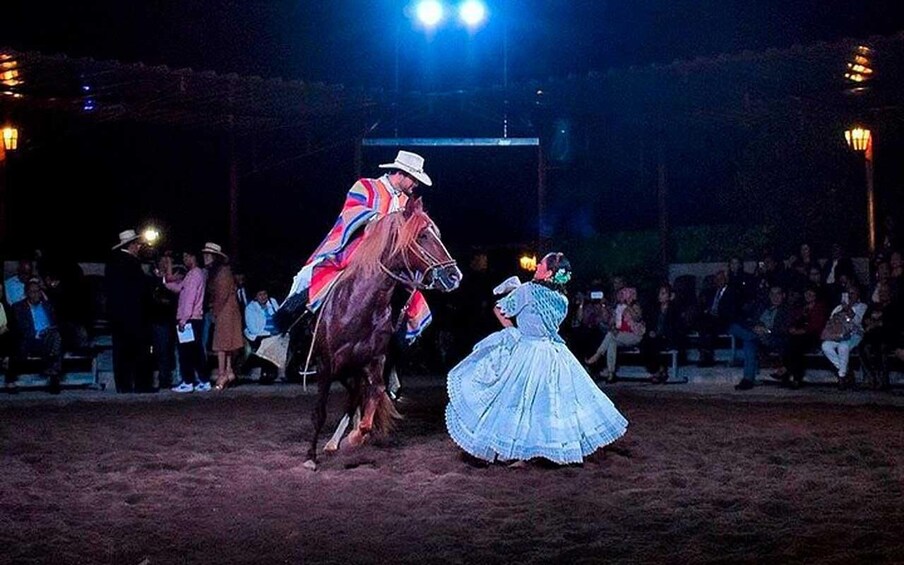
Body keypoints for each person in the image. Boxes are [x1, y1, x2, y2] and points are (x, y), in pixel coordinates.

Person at [445, 252, 628, 466]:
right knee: (550, 404)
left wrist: (513, 329)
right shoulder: (562, 299)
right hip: (552, 352)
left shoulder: (527, 290)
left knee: (520, 401)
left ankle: (519, 452)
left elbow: (499, 309)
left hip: (528, 349)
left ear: (549, 272)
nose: (537, 265)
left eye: (541, 264)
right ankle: (546, 448)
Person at [276, 150, 434, 344]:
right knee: (308, 277)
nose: (416, 185)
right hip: (355, 249)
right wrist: (379, 221)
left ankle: (396, 348)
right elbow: (351, 212)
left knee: (410, 292)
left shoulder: (405, 201)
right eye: (414, 179)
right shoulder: (366, 186)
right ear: (401, 173)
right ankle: (286, 333)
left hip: (387, 260)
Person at [104, 229, 152, 393]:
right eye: (137, 244)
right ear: (132, 245)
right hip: (134, 316)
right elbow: (140, 291)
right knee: (139, 351)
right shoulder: (132, 263)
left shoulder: (112, 263)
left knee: (121, 353)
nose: (139, 247)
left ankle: (123, 386)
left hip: (117, 316)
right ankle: (141, 385)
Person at [202, 242, 244, 390]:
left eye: (208, 255)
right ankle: (228, 371)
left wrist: (215, 311)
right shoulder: (219, 272)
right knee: (226, 344)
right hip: (227, 310)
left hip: (226, 311)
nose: (205, 257)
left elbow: (221, 295)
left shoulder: (222, 272)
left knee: (221, 344)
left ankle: (222, 374)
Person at [243, 286, 281, 383]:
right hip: (258, 335)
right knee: (267, 343)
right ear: (256, 297)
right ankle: (266, 372)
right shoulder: (250, 308)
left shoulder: (272, 302)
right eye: (260, 295)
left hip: (275, 335)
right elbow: (253, 329)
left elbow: (280, 318)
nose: (263, 297)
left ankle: (269, 372)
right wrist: (269, 333)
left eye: (265, 294)